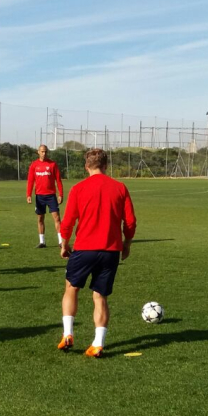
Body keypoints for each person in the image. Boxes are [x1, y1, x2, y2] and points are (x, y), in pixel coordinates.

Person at [57, 148, 137, 358]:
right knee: (100, 296)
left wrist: (64, 243)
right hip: (110, 251)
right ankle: (98, 343)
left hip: (84, 248)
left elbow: (68, 221)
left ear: (86, 166)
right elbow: (129, 221)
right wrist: (126, 243)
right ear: (106, 165)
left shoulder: (79, 188)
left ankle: (67, 333)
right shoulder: (120, 187)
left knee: (71, 288)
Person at [26, 144, 65, 248]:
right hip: (39, 196)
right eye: (42, 151)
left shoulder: (52, 164)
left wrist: (60, 194)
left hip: (51, 196)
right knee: (40, 219)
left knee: (57, 218)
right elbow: (30, 181)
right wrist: (28, 194)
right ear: (38, 152)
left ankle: (61, 241)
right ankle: (42, 241)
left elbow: (58, 180)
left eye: (45, 152)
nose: (44, 153)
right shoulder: (34, 165)